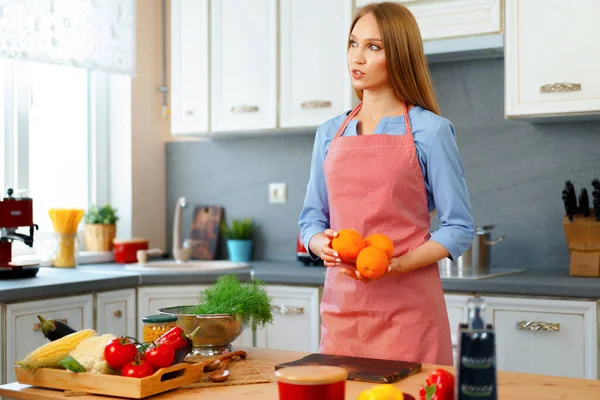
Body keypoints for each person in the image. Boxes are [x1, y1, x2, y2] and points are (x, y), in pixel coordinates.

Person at [298, 2, 475, 365]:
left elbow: (458, 227)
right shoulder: (329, 132)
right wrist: (321, 245)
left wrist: (397, 264)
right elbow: (311, 219)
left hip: (409, 314)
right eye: (353, 43)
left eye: (373, 47)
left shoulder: (432, 131)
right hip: (343, 311)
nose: (357, 57)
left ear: (398, 55)